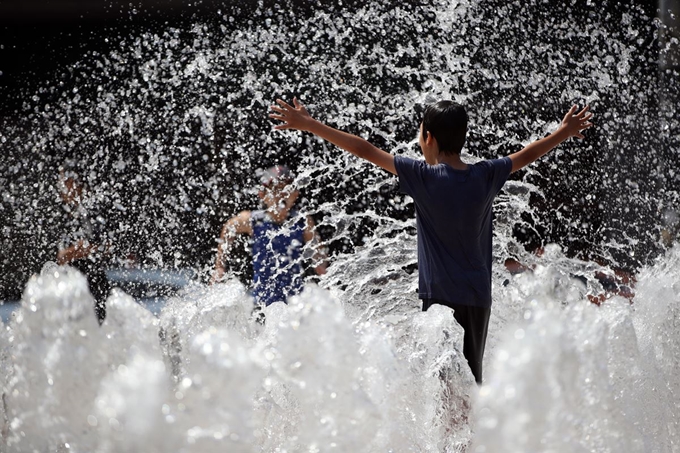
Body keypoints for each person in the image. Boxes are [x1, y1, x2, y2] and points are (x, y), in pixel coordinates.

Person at [270, 97, 592, 384]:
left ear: (429, 138)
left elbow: (364, 149)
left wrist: (309, 124)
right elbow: (526, 155)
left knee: (443, 384)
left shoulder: (422, 176)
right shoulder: (485, 175)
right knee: (469, 382)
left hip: (438, 300)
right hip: (478, 300)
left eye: (420, 133)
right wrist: (563, 132)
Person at [212, 165, 327, 307]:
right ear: (263, 195)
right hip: (261, 301)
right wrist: (220, 266)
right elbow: (229, 228)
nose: (281, 195)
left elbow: (318, 254)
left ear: (295, 194)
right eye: (276, 190)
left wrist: (325, 276)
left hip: (295, 301)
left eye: (287, 190)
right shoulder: (253, 220)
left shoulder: (302, 221)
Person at [57, 169, 111, 324]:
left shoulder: (93, 211)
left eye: (68, 183)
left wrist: (86, 248)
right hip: (71, 283)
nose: (65, 188)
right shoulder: (60, 215)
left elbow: (105, 247)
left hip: (96, 280)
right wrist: (78, 250)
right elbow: (60, 257)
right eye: (63, 184)